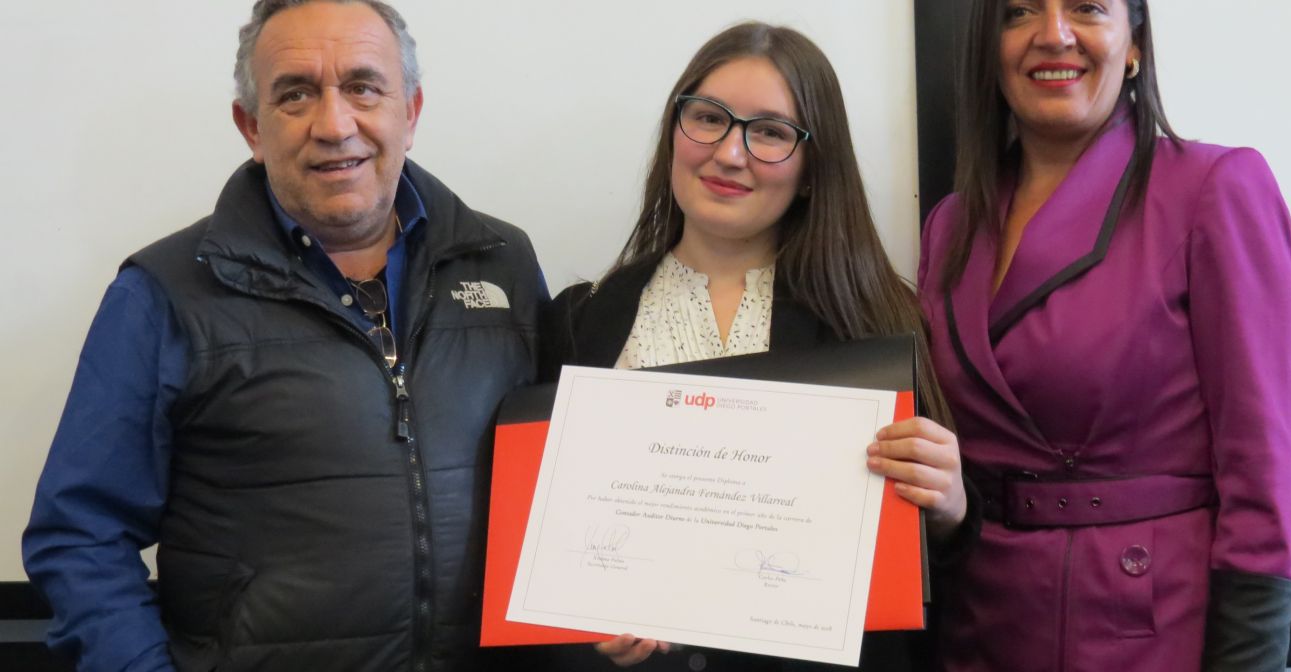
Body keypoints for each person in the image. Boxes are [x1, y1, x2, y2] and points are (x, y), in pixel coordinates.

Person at [21, 1, 546, 670]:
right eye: (296, 94)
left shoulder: (502, 263)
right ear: (252, 126)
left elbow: (565, 476)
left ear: (410, 112)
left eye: (363, 87)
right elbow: (80, 533)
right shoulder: (164, 294)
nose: (335, 125)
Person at [538, 22, 976, 672]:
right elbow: (546, 548)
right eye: (708, 118)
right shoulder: (581, 321)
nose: (729, 153)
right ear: (674, 131)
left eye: (769, 132)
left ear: (812, 168)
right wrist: (586, 628)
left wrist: (949, 508)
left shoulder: (878, 321)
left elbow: (924, 570)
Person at [918, 0, 1291, 670]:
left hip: (1147, 630)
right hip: (980, 626)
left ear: (1134, 46)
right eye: (1020, 12)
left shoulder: (1214, 188)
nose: (1053, 34)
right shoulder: (950, 224)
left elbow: (1261, 470)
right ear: (991, 50)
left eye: (1087, 8)